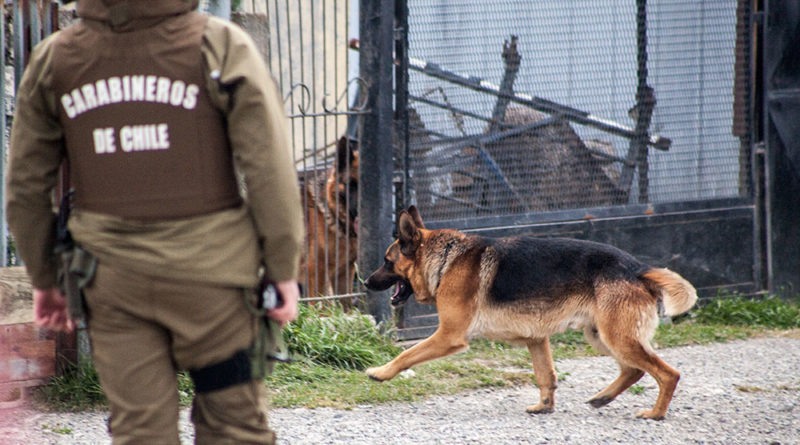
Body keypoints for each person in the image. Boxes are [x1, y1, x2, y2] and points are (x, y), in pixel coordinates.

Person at [6, 1, 304, 443]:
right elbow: (269, 170)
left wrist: (46, 279)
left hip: (113, 284)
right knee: (234, 428)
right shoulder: (219, 47)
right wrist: (282, 270)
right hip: (215, 287)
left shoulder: (56, 60)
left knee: (141, 432)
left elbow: (26, 188)